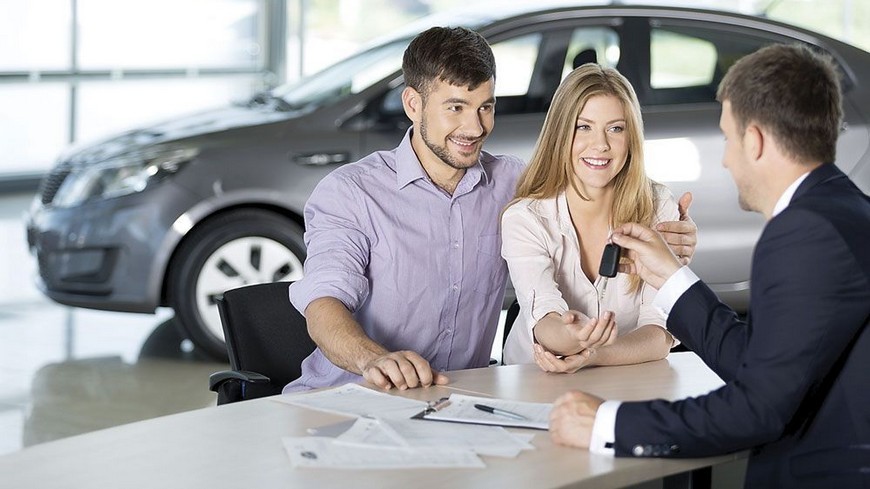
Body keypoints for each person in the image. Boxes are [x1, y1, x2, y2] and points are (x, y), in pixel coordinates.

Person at [284, 27, 698, 394]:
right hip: (350, 395)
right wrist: (371, 359)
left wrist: (678, 242)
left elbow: (592, 186)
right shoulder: (351, 192)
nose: (475, 127)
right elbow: (323, 303)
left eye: (486, 106)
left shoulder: (516, 186)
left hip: (460, 401)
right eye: (456, 107)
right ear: (413, 104)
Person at [548, 44, 870, 488]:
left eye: (728, 138)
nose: (725, 159)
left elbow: (757, 409)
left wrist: (607, 424)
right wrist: (670, 275)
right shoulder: (846, 210)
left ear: (754, 141)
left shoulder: (804, 232)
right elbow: (758, 362)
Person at [501, 64, 685, 369]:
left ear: (631, 138)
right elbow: (544, 318)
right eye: (583, 127)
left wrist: (591, 356)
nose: (600, 145)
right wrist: (570, 335)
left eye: (615, 128)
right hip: (535, 377)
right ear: (561, 134)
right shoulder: (526, 218)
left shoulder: (658, 207)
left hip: (625, 379)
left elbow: (660, 332)